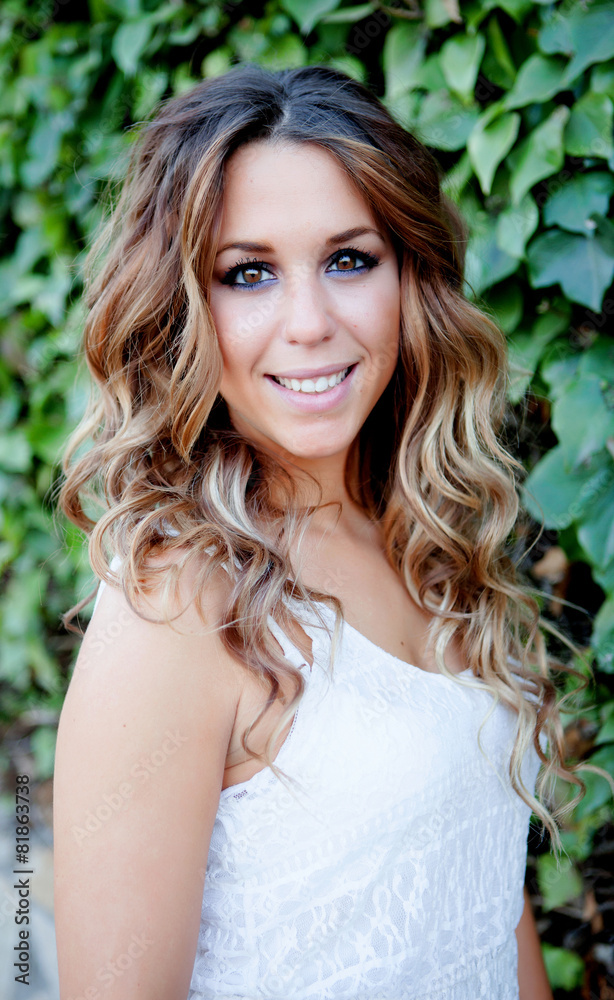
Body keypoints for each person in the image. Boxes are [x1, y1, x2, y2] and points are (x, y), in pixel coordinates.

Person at [53, 62, 584, 1000]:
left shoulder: (427, 534)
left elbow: (483, 898)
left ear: (410, 276)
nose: (309, 324)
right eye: (248, 273)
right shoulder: (178, 606)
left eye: (348, 260)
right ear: (181, 309)